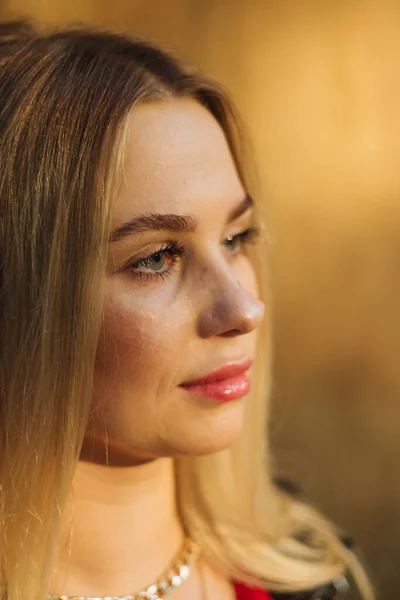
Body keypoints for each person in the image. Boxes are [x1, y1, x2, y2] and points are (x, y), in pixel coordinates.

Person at [0, 20, 373, 600]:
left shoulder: (317, 577)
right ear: (22, 299)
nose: (242, 309)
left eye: (236, 238)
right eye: (157, 258)